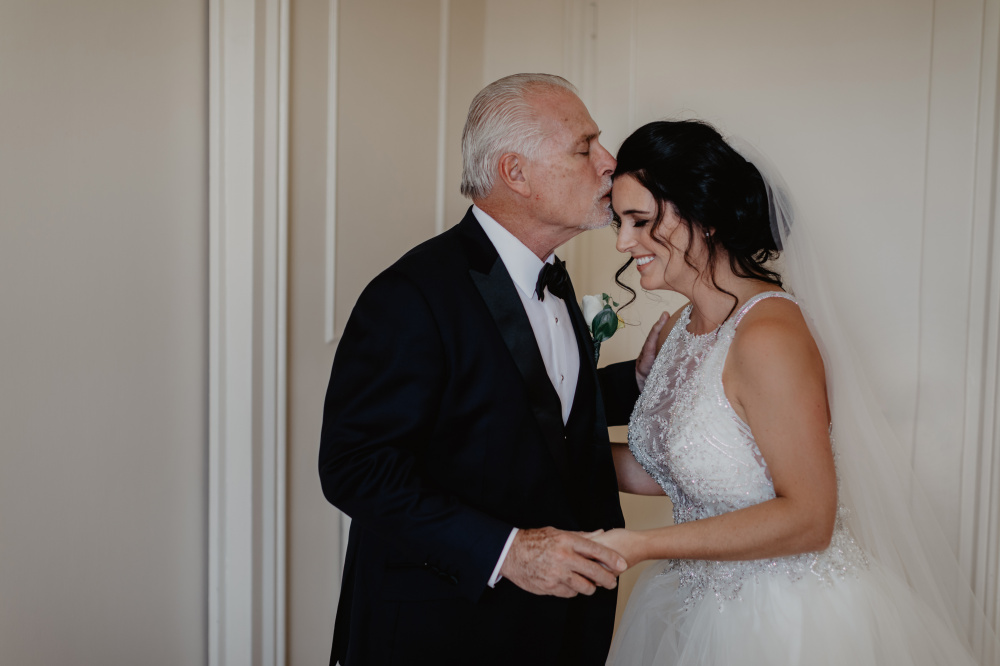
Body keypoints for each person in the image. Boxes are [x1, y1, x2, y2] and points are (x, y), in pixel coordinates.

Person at [595, 120, 997, 665]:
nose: (623, 242)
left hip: (787, 622)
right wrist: (548, 444)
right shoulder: (684, 328)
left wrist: (642, 545)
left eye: (641, 222)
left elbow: (809, 518)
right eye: (619, 222)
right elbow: (675, 471)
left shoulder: (768, 335)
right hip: (698, 607)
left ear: (705, 216)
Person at [318, 73, 661, 666]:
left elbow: (523, 407)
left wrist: (634, 380)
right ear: (516, 173)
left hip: (562, 626)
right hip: (448, 629)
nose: (610, 163)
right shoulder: (410, 295)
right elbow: (355, 467)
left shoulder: (549, 275)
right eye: (585, 147)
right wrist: (508, 552)